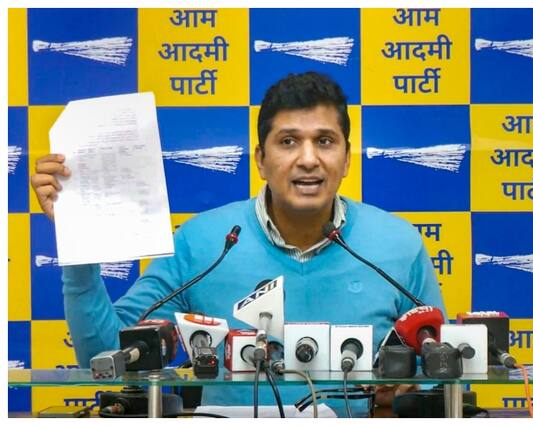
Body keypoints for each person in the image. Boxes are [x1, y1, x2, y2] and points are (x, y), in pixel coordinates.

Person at [31, 71, 446, 417]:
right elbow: (105, 354)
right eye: (288, 141)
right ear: (260, 160)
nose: (308, 159)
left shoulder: (398, 244)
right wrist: (78, 237)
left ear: (347, 158)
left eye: (324, 141)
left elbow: (441, 376)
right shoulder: (202, 243)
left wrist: (413, 387)